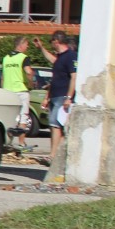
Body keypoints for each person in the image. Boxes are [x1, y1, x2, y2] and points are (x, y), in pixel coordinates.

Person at [45, 30, 78, 171]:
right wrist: (47, 96)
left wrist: (69, 97)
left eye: (52, 42)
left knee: (56, 125)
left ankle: (53, 155)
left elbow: (74, 77)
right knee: (56, 126)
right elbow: (53, 72)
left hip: (63, 97)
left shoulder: (70, 56)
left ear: (56, 41)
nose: (52, 45)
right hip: (55, 95)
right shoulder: (60, 58)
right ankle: (56, 155)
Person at [1, 36, 33, 135]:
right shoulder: (23, 57)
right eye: (26, 45)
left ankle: (6, 140)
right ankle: (21, 142)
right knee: (23, 116)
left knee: (8, 116)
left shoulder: (6, 58)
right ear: (21, 45)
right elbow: (28, 72)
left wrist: (3, 89)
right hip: (21, 90)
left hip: (8, 91)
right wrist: (30, 84)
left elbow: (2, 76)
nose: (27, 47)